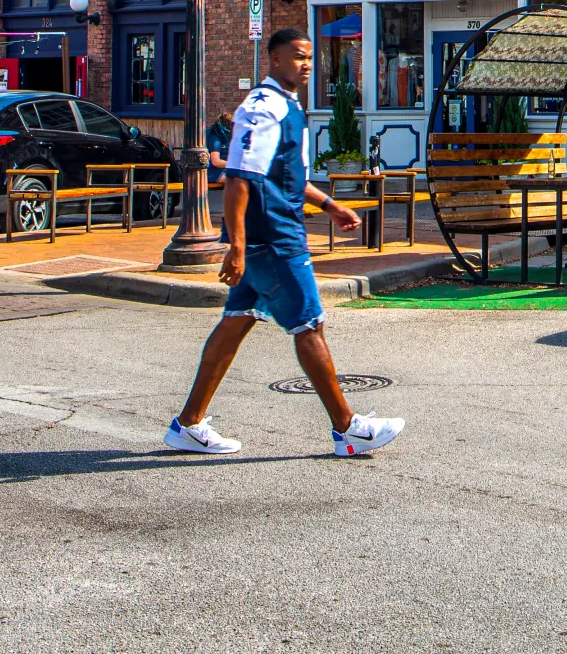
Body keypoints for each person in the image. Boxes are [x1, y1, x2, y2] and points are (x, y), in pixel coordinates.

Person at [165, 27, 405, 459]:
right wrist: (236, 246)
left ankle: (189, 423)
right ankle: (348, 428)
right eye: (297, 56)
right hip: (272, 239)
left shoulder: (287, 105)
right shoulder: (263, 109)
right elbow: (239, 179)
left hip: (272, 234)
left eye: (309, 57)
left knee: (237, 321)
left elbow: (287, 177)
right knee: (309, 324)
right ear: (273, 59)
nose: (306, 64)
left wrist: (330, 204)